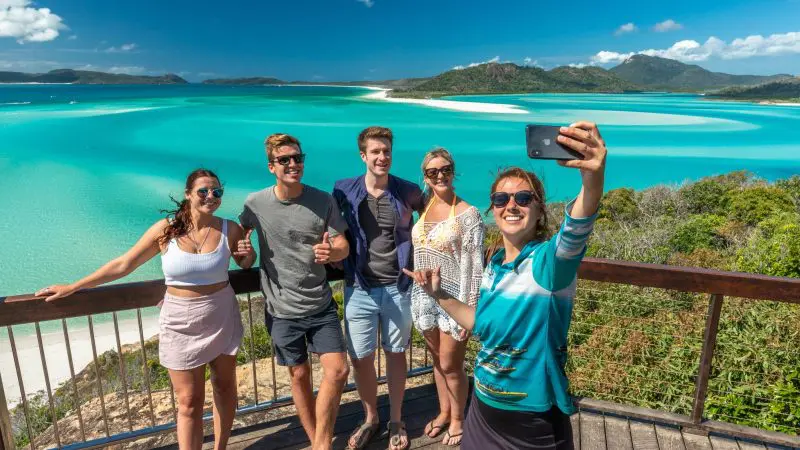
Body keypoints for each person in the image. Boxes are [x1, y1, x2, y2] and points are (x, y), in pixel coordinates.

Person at [404, 122, 607, 450]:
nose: (511, 205)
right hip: (482, 409)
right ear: (493, 208)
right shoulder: (494, 265)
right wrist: (439, 293)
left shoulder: (549, 264)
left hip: (532, 419)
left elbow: (577, 225)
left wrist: (593, 175)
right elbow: (481, 324)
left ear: (540, 209)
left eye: (523, 198)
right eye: (501, 198)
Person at [36, 168, 254, 450]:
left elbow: (246, 264)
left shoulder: (228, 228)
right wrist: (75, 286)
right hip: (180, 320)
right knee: (189, 402)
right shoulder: (166, 230)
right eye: (203, 191)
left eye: (216, 192)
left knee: (225, 389)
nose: (210, 196)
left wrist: (248, 255)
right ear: (188, 194)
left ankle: (221, 447)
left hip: (221, 314)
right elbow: (124, 264)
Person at [239, 133, 350, 450]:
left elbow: (341, 243)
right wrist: (243, 253)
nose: (293, 164)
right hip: (281, 311)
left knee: (338, 371)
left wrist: (333, 254)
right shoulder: (255, 203)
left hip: (320, 304)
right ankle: (316, 439)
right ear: (271, 166)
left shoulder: (322, 200)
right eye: (285, 160)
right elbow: (244, 255)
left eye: (298, 158)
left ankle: (322, 444)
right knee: (299, 376)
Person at [332, 126, 424, 450]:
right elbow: (331, 229)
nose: (382, 157)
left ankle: (396, 419)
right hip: (359, 288)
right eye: (376, 151)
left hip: (398, 288)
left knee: (396, 355)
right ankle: (370, 418)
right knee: (361, 358)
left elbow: (432, 221)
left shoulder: (408, 191)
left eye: (386, 151)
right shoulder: (343, 190)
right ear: (363, 155)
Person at [409, 148, 485, 447]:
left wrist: (471, 308)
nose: (440, 176)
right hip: (424, 297)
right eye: (432, 172)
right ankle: (443, 412)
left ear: (454, 172)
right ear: (425, 177)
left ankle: (458, 419)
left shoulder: (469, 214)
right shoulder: (424, 208)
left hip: (455, 300)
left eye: (445, 169)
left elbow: (475, 266)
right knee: (437, 363)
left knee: (452, 365)